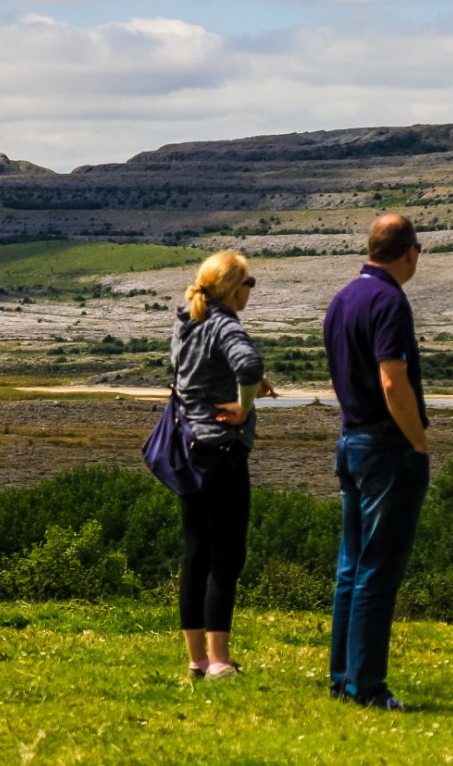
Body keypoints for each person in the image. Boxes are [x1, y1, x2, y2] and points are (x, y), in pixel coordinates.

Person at [323, 213, 429, 711]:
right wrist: (417, 441)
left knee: (351, 565)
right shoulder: (390, 301)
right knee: (378, 570)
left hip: (349, 438)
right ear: (408, 251)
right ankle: (367, 685)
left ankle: (342, 676)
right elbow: (393, 380)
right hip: (386, 446)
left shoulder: (342, 299)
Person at [170, 250, 274, 682]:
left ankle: (196, 660)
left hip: (188, 447)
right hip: (222, 453)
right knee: (226, 558)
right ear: (233, 289)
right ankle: (219, 660)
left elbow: (192, 375)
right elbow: (249, 364)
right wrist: (244, 406)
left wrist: (235, 389)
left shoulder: (185, 321)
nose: (251, 291)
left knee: (195, 553)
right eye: (249, 283)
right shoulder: (225, 323)